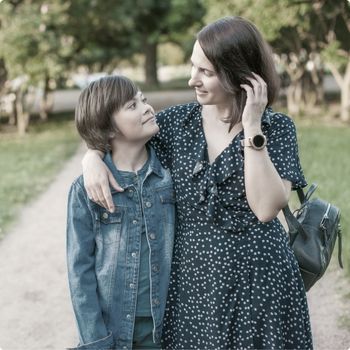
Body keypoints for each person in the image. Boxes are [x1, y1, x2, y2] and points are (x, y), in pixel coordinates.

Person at [82, 16, 313, 350]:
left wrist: (252, 126)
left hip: (262, 282)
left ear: (241, 75)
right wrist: (92, 155)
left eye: (206, 72)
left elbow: (265, 208)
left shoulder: (276, 129)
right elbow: (120, 135)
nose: (193, 80)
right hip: (193, 287)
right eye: (193, 67)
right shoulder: (177, 124)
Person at [66, 75, 175, 350]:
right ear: (108, 128)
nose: (147, 107)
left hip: (167, 328)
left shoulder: (170, 178)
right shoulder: (85, 190)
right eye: (132, 105)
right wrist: (95, 341)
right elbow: (80, 271)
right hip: (113, 330)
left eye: (144, 100)